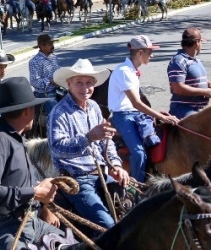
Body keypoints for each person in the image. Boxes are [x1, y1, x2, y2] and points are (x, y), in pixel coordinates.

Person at [0, 77, 63, 250]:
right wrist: (34, 192)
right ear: (28, 111)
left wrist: (41, 197)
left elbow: (15, 182)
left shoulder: (15, 137)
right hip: (1, 228)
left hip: (29, 221)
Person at [48, 59, 130, 230]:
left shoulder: (94, 107)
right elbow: (56, 148)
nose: (85, 88)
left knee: (134, 210)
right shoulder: (59, 112)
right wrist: (88, 138)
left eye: (89, 83)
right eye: (79, 83)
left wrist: (116, 165)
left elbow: (106, 142)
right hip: (76, 179)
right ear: (68, 84)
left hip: (101, 173)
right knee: (109, 227)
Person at [109, 36, 179, 182]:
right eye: (149, 52)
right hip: (123, 116)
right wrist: (163, 117)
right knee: (139, 153)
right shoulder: (124, 71)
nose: (152, 55)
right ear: (140, 53)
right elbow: (136, 103)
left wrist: (157, 115)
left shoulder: (132, 70)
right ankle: (136, 188)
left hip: (136, 114)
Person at [167, 28, 211, 118]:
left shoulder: (195, 61)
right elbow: (177, 88)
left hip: (199, 108)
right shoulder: (179, 61)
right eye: (201, 42)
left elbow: (196, 80)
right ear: (197, 42)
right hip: (184, 108)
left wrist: (208, 84)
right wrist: (205, 92)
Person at [28, 34, 59, 116]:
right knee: (57, 115)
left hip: (58, 90)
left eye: (52, 44)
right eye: (50, 44)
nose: (52, 46)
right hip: (45, 94)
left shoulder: (54, 57)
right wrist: (51, 81)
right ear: (42, 46)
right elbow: (34, 81)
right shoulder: (34, 61)